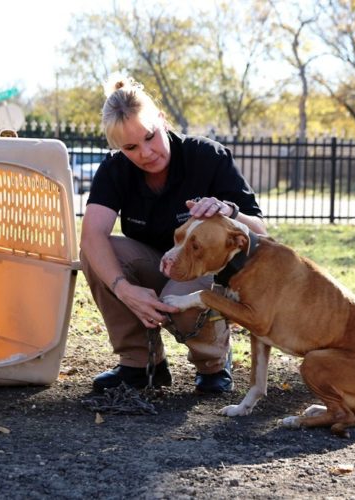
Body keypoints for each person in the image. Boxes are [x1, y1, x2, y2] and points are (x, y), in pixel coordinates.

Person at [80, 75, 266, 394]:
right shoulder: (114, 170)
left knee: (177, 296)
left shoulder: (206, 156)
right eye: (130, 147)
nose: (146, 153)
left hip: (201, 270)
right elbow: (91, 236)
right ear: (118, 148)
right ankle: (140, 364)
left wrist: (229, 211)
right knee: (95, 254)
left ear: (162, 122)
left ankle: (212, 365)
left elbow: (261, 233)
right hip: (156, 266)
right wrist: (124, 289)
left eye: (150, 137)